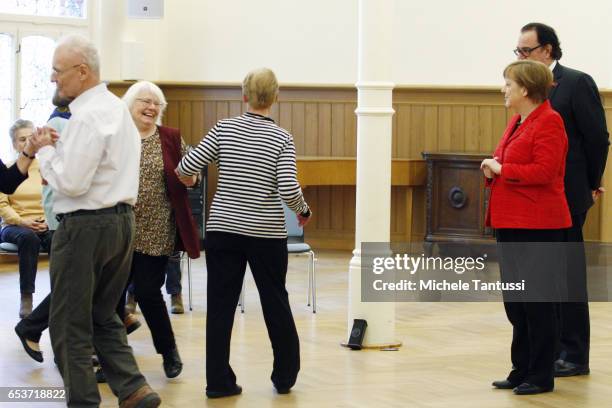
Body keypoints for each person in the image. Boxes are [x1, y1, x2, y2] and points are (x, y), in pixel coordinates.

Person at [32, 34, 161, 407]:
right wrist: (57, 149)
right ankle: (134, 389)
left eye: (57, 72)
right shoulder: (117, 108)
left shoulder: (87, 116)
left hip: (85, 227)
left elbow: (71, 183)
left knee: (69, 324)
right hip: (121, 224)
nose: (54, 79)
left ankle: (84, 402)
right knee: (104, 314)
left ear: (82, 72)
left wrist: (44, 152)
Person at [176, 67, 312, 398]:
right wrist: (302, 210)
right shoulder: (282, 138)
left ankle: (219, 382)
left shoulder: (223, 129)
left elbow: (186, 167)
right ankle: (284, 376)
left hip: (224, 230)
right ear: (276, 98)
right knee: (275, 301)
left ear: (244, 96)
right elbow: (288, 187)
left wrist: (191, 179)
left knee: (220, 306)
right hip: (266, 234)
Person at [13, 93, 142, 368]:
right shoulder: (60, 124)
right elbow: (54, 179)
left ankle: (41, 331)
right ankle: (57, 342)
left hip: (88, 219)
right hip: (69, 218)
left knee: (85, 285)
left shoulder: (88, 122)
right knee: (75, 287)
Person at [514, 22, 610, 377]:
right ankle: (547, 351)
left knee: (568, 275)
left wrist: (590, 183)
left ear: (548, 50)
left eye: (526, 50)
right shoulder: (529, 89)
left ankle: (574, 354)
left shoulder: (575, 82)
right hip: (537, 198)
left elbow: (598, 138)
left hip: (569, 194)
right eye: (518, 52)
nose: (522, 56)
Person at [482, 60, 571, 395]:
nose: (503, 89)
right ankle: (521, 369)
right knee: (517, 301)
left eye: (508, 83)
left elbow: (546, 171)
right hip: (511, 221)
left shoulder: (550, 121)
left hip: (539, 225)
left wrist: (502, 169)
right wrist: (494, 168)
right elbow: (507, 160)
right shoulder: (518, 120)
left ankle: (540, 374)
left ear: (525, 88)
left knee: (538, 303)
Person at [114, 80, 200, 379]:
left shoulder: (171, 138)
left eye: (156, 103)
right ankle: (112, 358)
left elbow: (192, 171)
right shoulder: (117, 135)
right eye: (144, 101)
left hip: (156, 229)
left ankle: (168, 351)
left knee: (149, 293)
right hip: (117, 231)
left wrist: (192, 179)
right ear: (130, 104)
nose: (151, 107)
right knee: (110, 297)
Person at [0, 120, 53, 318]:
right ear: (14, 144)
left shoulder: (47, 167)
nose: (27, 142)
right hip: (14, 225)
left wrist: (49, 221)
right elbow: (2, 205)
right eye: (22, 139)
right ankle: (26, 298)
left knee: (59, 238)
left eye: (31, 138)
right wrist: (23, 222)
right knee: (28, 238)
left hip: (43, 222)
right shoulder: (6, 169)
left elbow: (55, 200)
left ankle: (60, 295)